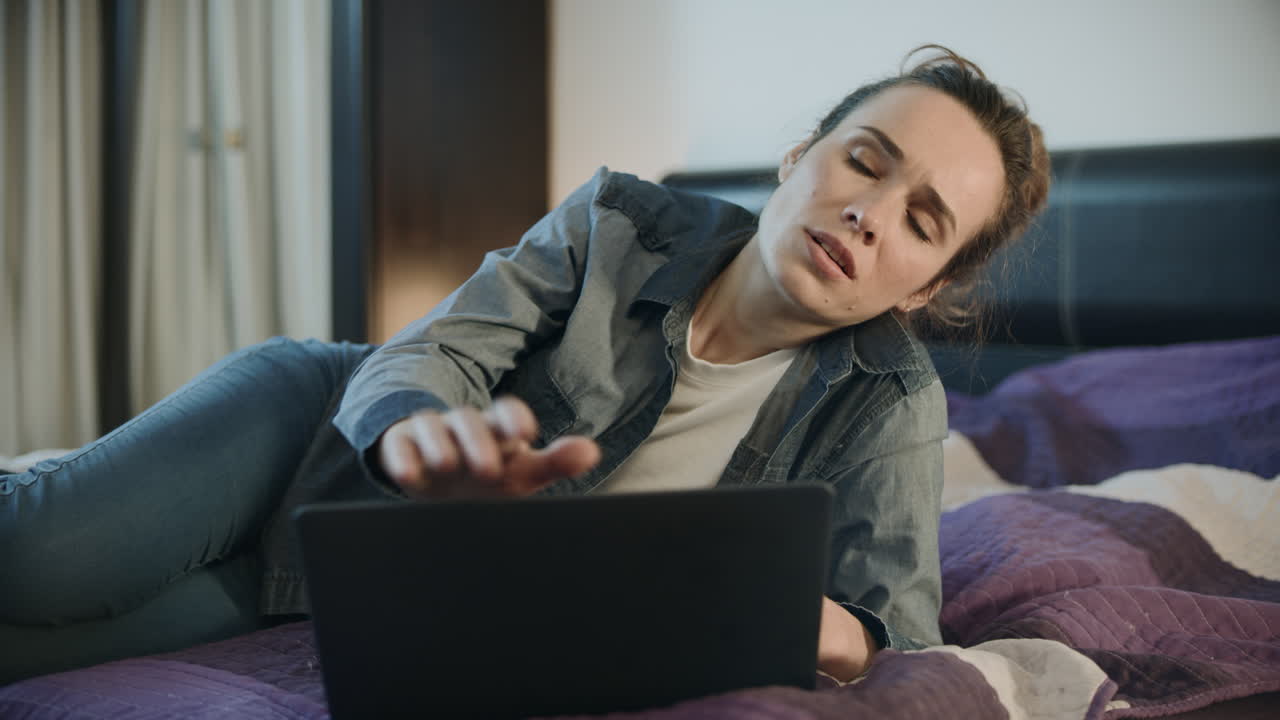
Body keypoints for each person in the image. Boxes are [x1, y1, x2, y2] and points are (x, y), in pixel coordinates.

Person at [0, 44, 1050, 686]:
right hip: (304, 429)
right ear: (798, 158)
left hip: (345, 581)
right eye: (862, 159)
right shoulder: (617, 221)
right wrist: (421, 438)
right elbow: (438, 349)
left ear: (924, 287)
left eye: (920, 222)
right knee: (37, 559)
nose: (866, 215)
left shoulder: (892, 404)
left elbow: (897, 642)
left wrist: (785, 610)